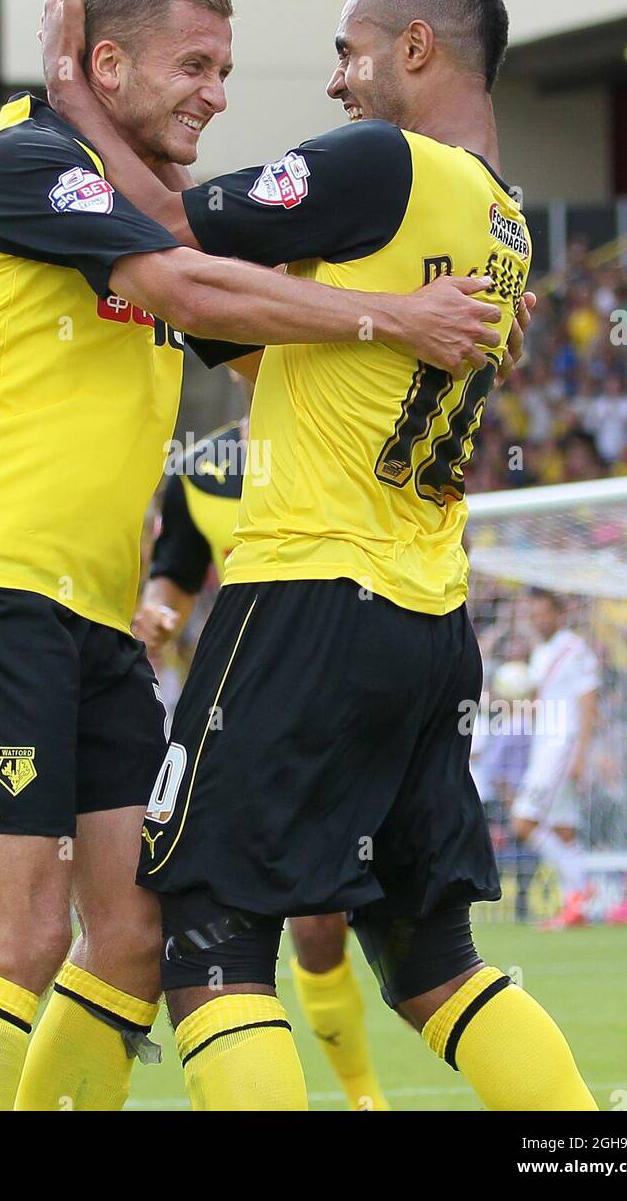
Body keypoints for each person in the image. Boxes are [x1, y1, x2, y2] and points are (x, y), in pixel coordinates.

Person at [0, 0, 505, 1112]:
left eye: (225, 69)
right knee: (18, 934)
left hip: (94, 621)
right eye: (192, 66)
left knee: (138, 939)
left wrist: (433, 353)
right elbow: (195, 290)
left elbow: (265, 353)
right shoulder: (28, 160)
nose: (214, 92)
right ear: (106, 64)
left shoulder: (123, 198)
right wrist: (391, 312)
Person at [43, 0, 594, 1111]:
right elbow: (265, 348)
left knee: (207, 932)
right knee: (434, 962)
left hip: (302, 600)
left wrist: (77, 97)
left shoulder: (383, 164)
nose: (335, 84)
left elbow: (175, 227)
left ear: (413, 47)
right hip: (427, 618)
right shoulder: (505, 226)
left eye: (348, 53)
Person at [137, 403, 387, 1110]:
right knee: (294, 923)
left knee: (368, 934)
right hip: (250, 694)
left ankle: (361, 1087)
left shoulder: (356, 420)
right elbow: (176, 572)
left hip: (370, 680)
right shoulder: (203, 467)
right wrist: (159, 612)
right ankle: (363, 1098)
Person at [511, 589, 600, 929]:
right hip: (544, 747)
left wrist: (581, 754)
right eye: (532, 614)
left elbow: (589, 703)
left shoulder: (573, 649)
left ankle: (581, 888)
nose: (537, 620)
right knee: (564, 831)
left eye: (543, 614)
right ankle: (574, 908)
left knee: (523, 822)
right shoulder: (540, 653)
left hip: (561, 748)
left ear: (560, 614)